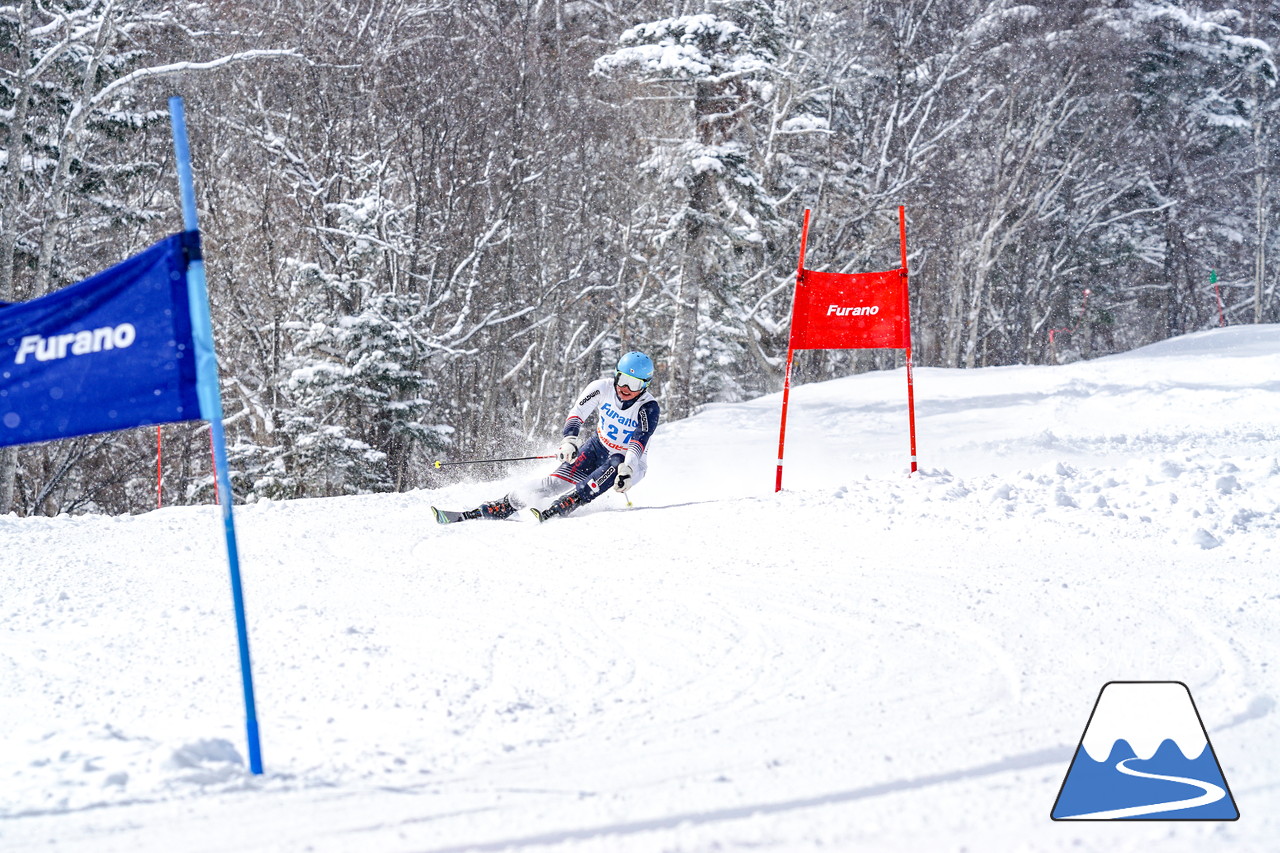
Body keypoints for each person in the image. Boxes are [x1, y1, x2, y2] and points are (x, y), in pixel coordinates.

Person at [432, 351, 660, 523]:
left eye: (635, 384)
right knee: (553, 483)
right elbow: (577, 413)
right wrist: (569, 440)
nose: (626, 389)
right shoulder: (601, 388)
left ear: (645, 385)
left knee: (617, 463)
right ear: (616, 375)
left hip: (631, 462)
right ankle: (502, 506)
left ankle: (569, 502)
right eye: (623, 381)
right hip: (597, 447)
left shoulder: (648, 406)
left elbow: (639, 440)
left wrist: (629, 469)